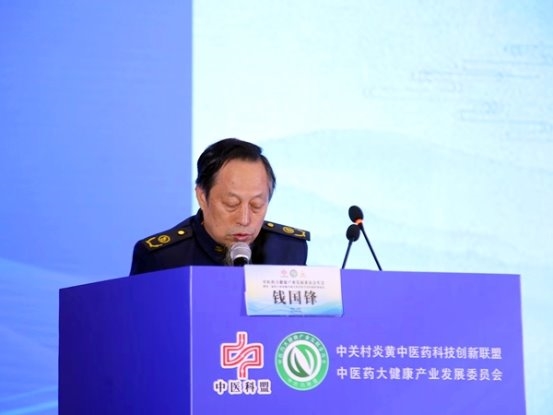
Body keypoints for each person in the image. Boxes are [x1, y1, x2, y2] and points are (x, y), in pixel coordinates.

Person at [129, 138, 310, 275]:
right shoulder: (164, 258)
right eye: (231, 204)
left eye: (256, 205)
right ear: (202, 197)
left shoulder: (288, 249)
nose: (244, 220)